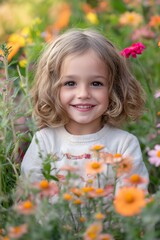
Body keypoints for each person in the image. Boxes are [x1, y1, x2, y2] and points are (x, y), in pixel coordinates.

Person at [21, 28, 149, 193]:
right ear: (51, 89)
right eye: (70, 83)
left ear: (114, 88)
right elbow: (30, 197)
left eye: (96, 83)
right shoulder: (44, 142)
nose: (83, 94)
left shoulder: (123, 145)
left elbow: (133, 202)